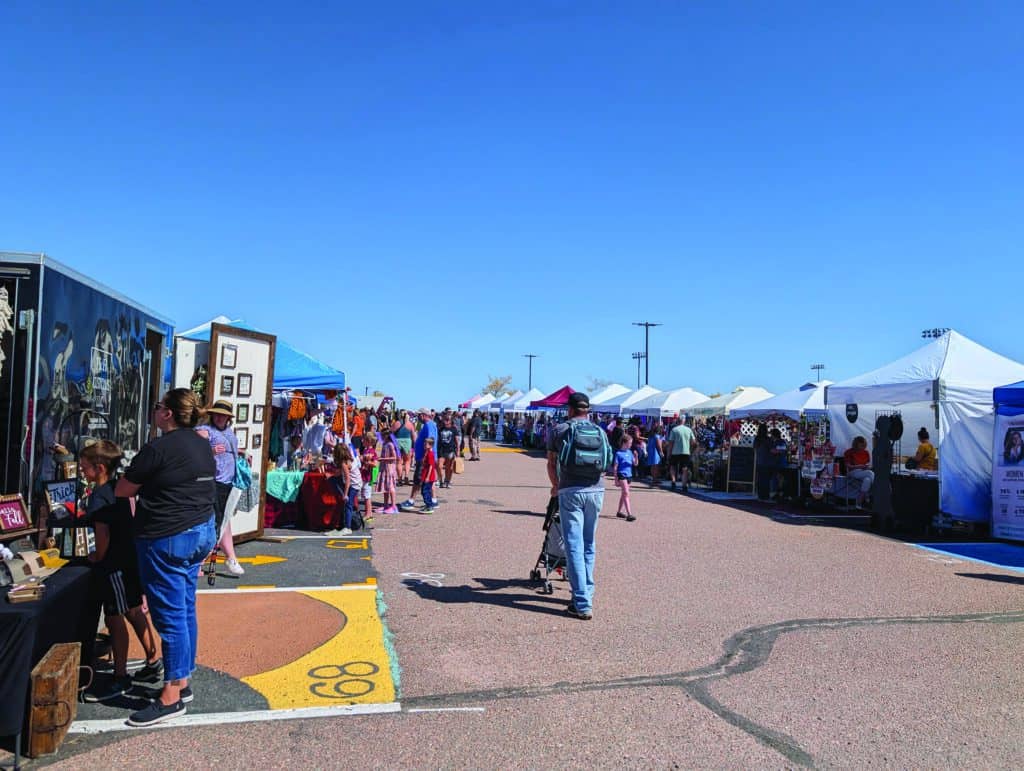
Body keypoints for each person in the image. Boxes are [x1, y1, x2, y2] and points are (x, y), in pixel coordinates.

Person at [115, 388, 217, 726]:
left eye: (158, 406)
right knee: (185, 608)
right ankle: (181, 680)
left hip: (168, 536)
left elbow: (123, 489)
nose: (155, 411)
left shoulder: (158, 448)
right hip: (200, 531)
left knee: (170, 616)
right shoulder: (202, 442)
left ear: (168, 414)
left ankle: (171, 695)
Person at [80, 440, 161, 702]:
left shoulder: (98, 497)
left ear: (99, 468)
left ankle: (120, 675)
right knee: (134, 610)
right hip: (130, 559)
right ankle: (152, 660)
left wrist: (97, 556)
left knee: (115, 617)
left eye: (84, 467)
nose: (82, 471)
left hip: (113, 564)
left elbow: (102, 535)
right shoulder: (119, 490)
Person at [546, 392, 612, 620]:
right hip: (597, 490)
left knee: (573, 545)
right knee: (588, 543)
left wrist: (555, 486)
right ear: (588, 410)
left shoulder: (560, 430)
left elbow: (551, 463)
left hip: (570, 490)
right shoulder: (600, 430)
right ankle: (587, 591)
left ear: (570, 409)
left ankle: (582, 602)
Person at [195, 400, 245, 576]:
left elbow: (228, 450)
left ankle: (230, 558)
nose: (219, 417)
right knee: (216, 522)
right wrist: (210, 451)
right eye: (216, 414)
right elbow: (193, 451)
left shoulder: (229, 432)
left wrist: (239, 454)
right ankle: (202, 561)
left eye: (223, 415)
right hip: (213, 482)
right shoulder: (204, 431)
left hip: (227, 483)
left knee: (223, 520)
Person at [401, 408, 438, 510]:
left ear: (423, 415)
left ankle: (411, 500)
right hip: (425, 457)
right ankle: (434, 500)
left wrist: (425, 456)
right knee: (430, 480)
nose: (418, 417)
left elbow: (429, 441)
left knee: (418, 479)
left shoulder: (428, 425)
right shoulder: (429, 425)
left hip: (424, 458)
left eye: (419, 415)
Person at [843, 435, 874, 509]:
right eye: (861, 446)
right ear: (856, 444)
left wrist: (868, 467)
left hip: (864, 472)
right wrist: (859, 466)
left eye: (864, 445)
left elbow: (868, 465)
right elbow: (848, 466)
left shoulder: (866, 452)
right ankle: (871, 495)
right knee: (870, 473)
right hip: (853, 472)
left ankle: (859, 500)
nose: (863, 447)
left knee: (867, 480)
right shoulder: (849, 452)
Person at [667, 416, 696, 492]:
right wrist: (691, 449)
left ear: (677, 421)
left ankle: (673, 481)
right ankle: (684, 485)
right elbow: (693, 442)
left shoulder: (674, 430)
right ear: (684, 421)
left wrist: (669, 453)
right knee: (685, 469)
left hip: (675, 452)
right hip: (686, 452)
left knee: (673, 467)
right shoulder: (689, 430)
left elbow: (671, 443)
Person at [613, 435, 636, 522]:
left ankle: (619, 512)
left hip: (629, 475)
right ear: (624, 443)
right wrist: (615, 479)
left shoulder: (630, 452)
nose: (631, 445)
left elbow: (635, 464)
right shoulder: (618, 453)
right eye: (629, 443)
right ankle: (629, 514)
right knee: (626, 493)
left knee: (624, 494)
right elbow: (615, 467)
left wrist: (636, 457)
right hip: (621, 475)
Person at [376, 426, 399, 513]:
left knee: (391, 487)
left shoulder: (390, 444)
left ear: (386, 435)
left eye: (382, 435)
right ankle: (385, 505)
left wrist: (382, 459)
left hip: (389, 468)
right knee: (385, 487)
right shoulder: (385, 444)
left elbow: (394, 457)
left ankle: (393, 506)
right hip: (384, 467)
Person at [360, 432, 378, 524]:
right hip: (363, 475)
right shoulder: (365, 450)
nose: (362, 441)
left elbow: (375, 464)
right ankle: (368, 513)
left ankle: (368, 514)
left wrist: (367, 462)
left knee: (367, 496)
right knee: (365, 495)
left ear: (368, 441)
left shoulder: (372, 452)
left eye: (364, 439)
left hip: (367, 476)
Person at [394, 410, 415, 485]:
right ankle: (406, 476)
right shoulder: (410, 424)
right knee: (407, 461)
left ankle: (399, 479)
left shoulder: (397, 423)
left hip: (397, 441)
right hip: (407, 441)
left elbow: (391, 432)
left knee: (399, 461)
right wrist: (414, 446)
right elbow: (413, 436)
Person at [437, 416, 458, 488]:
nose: (446, 421)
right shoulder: (440, 429)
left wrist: (457, 451)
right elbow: (438, 440)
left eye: (447, 420)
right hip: (441, 450)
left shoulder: (453, 429)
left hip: (450, 450)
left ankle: (447, 481)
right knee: (439, 466)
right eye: (445, 420)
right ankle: (441, 481)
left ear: (450, 421)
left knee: (449, 468)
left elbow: (457, 441)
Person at [420, 437, 439, 513]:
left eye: (426, 444)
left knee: (425, 491)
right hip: (425, 474)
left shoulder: (430, 454)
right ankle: (428, 504)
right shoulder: (426, 452)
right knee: (424, 491)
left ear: (431, 445)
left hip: (429, 476)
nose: (424, 445)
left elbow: (431, 466)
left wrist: (427, 477)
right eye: (424, 443)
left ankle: (429, 506)